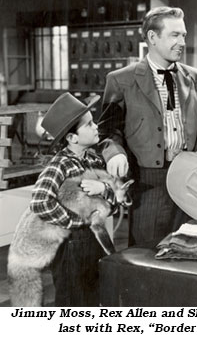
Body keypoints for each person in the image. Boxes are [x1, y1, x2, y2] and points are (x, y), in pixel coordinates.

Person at [99, 6, 197, 246]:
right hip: (149, 181)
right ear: (152, 37)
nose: (182, 41)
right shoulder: (121, 79)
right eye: (175, 35)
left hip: (190, 176)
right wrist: (115, 153)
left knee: (188, 248)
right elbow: (108, 130)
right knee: (147, 252)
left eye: (183, 35)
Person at [30, 92, 119, 306]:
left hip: (94, 243)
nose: (96, 126)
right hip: (70, 249)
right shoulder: (59, 165)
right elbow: (40, 202)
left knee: (92, 298)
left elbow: (113, 204)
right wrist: (75, 222)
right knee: (72, 300)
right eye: (89, 125)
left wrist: (104, 188)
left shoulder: (94, 159)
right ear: (72, 138)